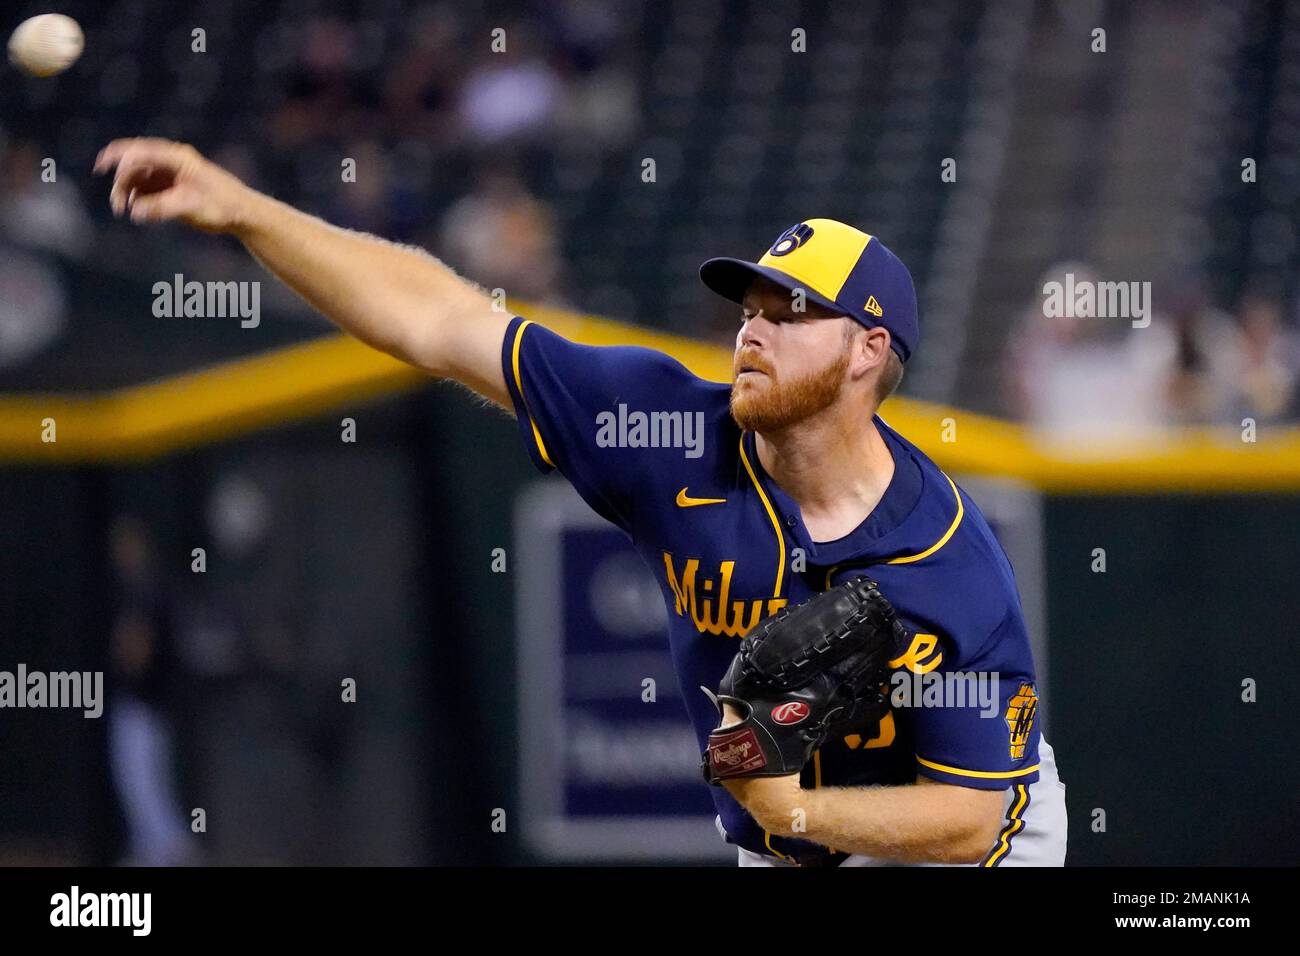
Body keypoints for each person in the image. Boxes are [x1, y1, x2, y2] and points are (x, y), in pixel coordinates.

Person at [93, 139, 1067, 866]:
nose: (752, 329)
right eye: (750, 307)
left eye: (791, 311)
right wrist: (246, 212)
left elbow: (971, 814)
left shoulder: (945, 558)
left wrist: (795, 809)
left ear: (867, 352)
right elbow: (438, 318)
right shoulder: (662, 430)